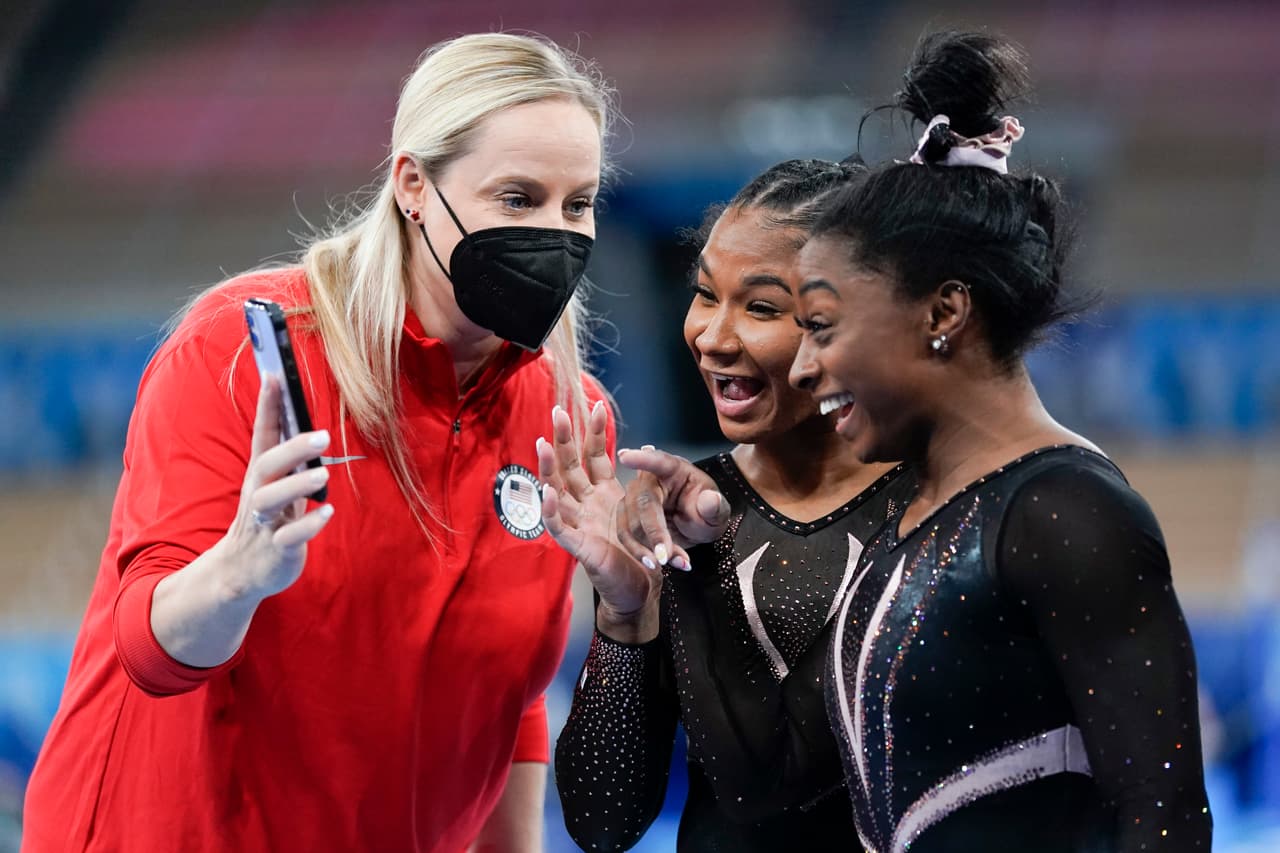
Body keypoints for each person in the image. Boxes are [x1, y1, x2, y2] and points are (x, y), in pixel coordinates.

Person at [22, 33, 615, 853]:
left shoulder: (568, 413)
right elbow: (149, 654)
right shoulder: (241, 353)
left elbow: (506, 695)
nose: (555, 231)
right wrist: (238, 573)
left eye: (578, 204)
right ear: (413, 186)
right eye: (517, 198)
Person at [787, 30, 1213, 852]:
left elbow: (1165, 814)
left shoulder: (1065, 511)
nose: (803, 368)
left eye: (823, 326)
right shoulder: (911, 517)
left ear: (944, 312)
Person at [540, 160, 915, 851]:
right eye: (706, 294)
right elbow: (602, 822)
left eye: (761, 307)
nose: (712, 336)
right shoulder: (678, 522)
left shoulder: (943, 506)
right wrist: (627, 615)